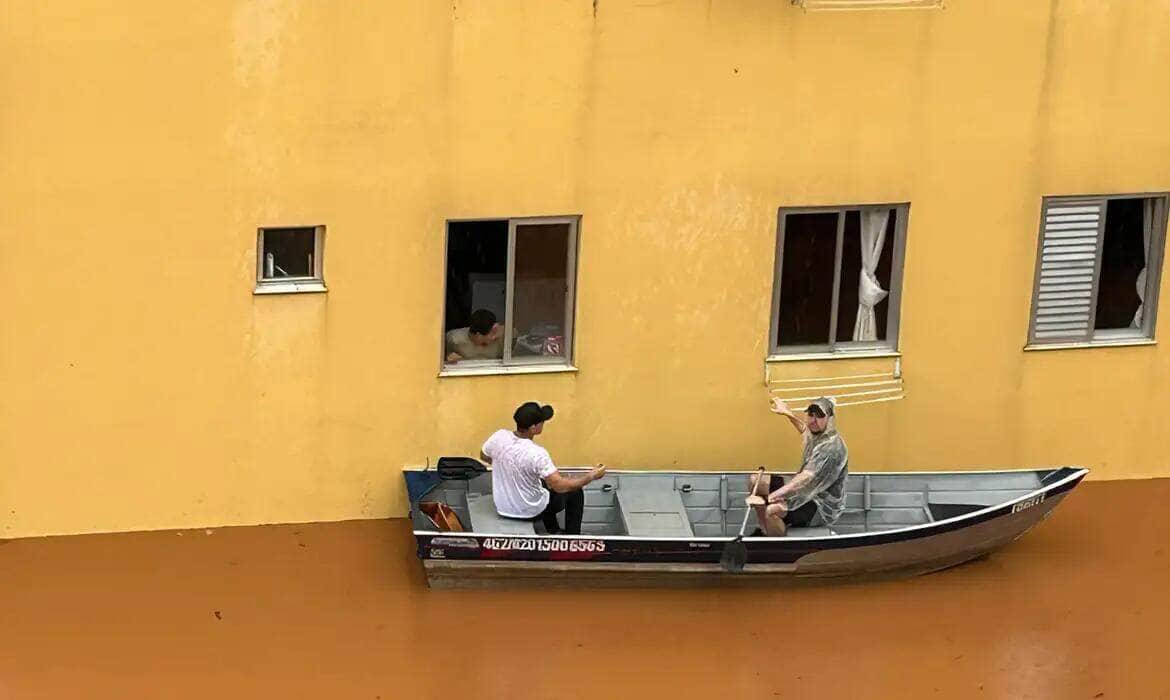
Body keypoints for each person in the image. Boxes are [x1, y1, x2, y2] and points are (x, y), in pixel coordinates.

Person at [480, 402, 606, 535]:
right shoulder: (537, 453)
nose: (543, 424)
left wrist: (508, 465)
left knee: (544, 484)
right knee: (574, 492)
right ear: (533, 427)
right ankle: (573, 536)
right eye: (541, 422)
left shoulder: (499, 436)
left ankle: (553, 530)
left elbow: (484, 455)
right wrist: (591, 476)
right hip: (530, 512)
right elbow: (560, 486)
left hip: (503, 507)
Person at [748, 396, 849, 536]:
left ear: (829, 419)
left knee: (771, 510)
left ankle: (778, 544)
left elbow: (806, 477)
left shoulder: (832, 448)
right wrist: (787, 412)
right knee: (757, 481)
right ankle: (766, 530)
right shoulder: (818, 434)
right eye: (811, 415)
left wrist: (772, 496)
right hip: (806, 491)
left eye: (820, 416)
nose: (813, 420)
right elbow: (804, 430)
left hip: (820, 505)